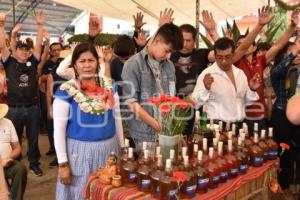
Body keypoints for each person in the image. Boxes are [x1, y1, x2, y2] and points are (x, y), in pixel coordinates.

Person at [53, 43, 123, 200]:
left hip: (110, 150)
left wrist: (122, 147)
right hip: (80, 153)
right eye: (81, 61)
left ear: (97, 62)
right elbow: (58, 131)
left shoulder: (110, 86)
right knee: (81, 193)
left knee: (108, 192)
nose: (86, 65)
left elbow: (117, 119)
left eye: (90, 60)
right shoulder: (66, 90)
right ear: (75, 65)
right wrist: (63, 164)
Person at [235, 8, 300, 135]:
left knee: (263, 148)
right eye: (239, 45)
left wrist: (291, 27)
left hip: (259, 113)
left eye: (247, 43)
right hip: (241, 113)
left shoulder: (260, 60)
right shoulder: (236, 63)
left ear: (254, 47)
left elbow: (277, 46)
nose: (243, 46)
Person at [121, 22, 183, 153]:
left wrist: (175, 128)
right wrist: (157, 125)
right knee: (149, 170)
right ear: (157, 40)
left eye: (171, 52)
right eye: (167, 51)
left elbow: (172, 98)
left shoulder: (169, 66)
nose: (168, 56)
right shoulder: (133, 64)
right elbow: (131, 104)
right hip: (144, 135)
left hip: (168, 131)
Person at [0, 11, 45, 176]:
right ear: (15, 51)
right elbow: (2, 46)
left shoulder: (32, 62)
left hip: (32, 107)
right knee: (15, 139)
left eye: (27, 50)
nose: (25, 52)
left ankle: (34, 163)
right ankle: (15, 165)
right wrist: (2, 26)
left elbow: (39, 45)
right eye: (21, 49)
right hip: (14, 109)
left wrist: (40, 26)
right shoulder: (9, 62)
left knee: (33, 138)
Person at [192, 37, 261, 127]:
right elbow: (195, 103)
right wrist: (206, 88)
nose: (224, 61)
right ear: (215, 56)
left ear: (233, 54)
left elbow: (246, 102)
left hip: (239, 126)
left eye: (227, 57)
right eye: (219, 57)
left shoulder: (240, 73)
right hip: (216, 127)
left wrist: (252, 89)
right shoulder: (207, 74)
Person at [270, 39, 300, 194]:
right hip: (281, 115)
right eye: (293, 53)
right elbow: (279, 69)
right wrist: (293, 52)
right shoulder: (277, 72)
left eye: (298, 53)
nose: (297, 55)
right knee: (283, 153)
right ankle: (283, 187)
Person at [0, 103, 27, 200]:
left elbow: (17, 148)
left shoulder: (8, 123)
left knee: (20, 169)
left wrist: (9, 158)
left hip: (6, 162)